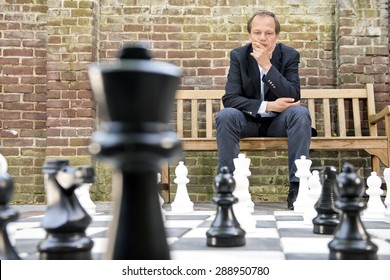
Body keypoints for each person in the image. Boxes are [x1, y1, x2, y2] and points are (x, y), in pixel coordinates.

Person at [215, 10, 313, 210]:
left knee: (300, 113)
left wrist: (267, 66)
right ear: (250, 35)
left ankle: (297, 186)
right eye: (257, 32)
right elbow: (230, 98)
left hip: (279, 123)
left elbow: (293, 96)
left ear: (276, 36)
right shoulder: (239, 56)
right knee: (226, 115)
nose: (262, 38)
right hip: (247, 121)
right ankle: (227, 185)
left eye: (268, 33)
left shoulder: (289, 55)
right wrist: (268, 106)